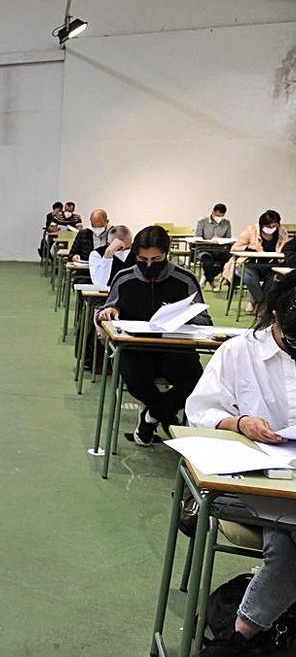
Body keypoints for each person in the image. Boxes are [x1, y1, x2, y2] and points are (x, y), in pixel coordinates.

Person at [186, 273, 296, 656]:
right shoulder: (239, 352)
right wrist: (240, 422)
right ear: (276, 320)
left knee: (285, 543)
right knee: (285, 539)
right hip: (251, 482)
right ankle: (244, 637)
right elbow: (199, 411)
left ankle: (235, 640)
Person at [96, 226, 210, 446]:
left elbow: (205, 320)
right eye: (142, 259)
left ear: (167, 254)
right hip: (135, 350)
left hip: (175, 351)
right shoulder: (124, 278)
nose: (149, 265)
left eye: (156, 259)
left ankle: (150, 418)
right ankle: (167, 418)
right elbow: (103, 311)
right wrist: (108, 313)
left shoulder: (184, 279)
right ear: (136, 255)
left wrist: (187, 318)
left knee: (195, 379)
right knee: (134, 376)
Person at [229, 209, 288, 311]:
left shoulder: (282, 232)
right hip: (249, 264)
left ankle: (255, 301)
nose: (272, 228)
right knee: (248, 277)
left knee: (274, 278)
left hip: (272, 266)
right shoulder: (251, 231)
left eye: (275, 226)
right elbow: (234, 248)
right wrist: (249, 248)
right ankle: (263, 305)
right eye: (269, 226)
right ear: (262, 225)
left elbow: (287, 248)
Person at [195, 203, 232, 288]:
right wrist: (209, 240)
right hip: (204, 249)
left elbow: (228, 238)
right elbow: (197, 237)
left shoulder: (226, 223)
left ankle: (206, 276)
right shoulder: (202, 221)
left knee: (229, 260)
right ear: (213, 212)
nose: (219, 218)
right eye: (217, 215)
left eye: (221, 216)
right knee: (208, 261)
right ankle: (212, 281)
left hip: (219, 250)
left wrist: (220, 239)